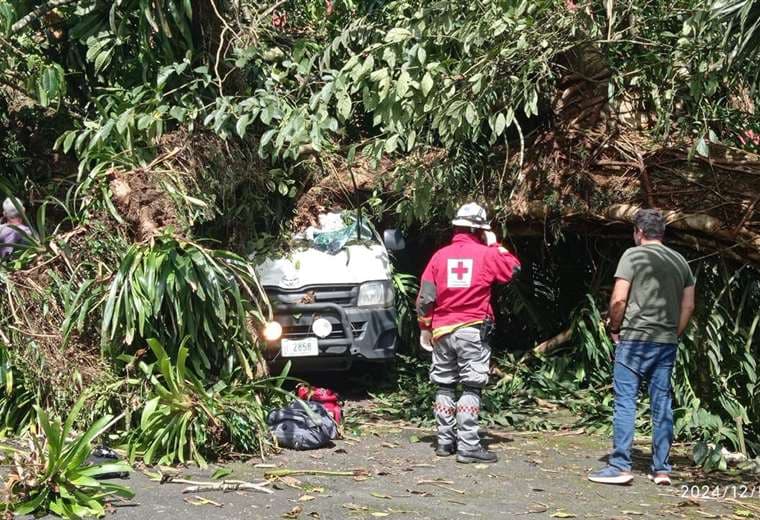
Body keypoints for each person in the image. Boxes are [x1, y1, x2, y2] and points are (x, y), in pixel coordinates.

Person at [589, 208, 695, 486]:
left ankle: (620, 465)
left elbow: (618, 301)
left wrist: (614, 328)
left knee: (626, 401)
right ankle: (661, 469)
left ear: (638, 231)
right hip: (666, 343)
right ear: (661, 233)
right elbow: (688, 305)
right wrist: (674, 334)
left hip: (634, 340)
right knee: (661, 403)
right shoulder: (681, 261)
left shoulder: (632, 255)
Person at [417, 203, 521, 464]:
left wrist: (425, 327)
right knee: (472, 385)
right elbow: (513, 269)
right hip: (472, 330)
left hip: (441, 331)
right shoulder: (487, 255)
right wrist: (495, 244)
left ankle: (444, 441)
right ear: (479, 229)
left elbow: (425, 297)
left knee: (444, 384)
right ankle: (469, 446)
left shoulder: (439, 257)